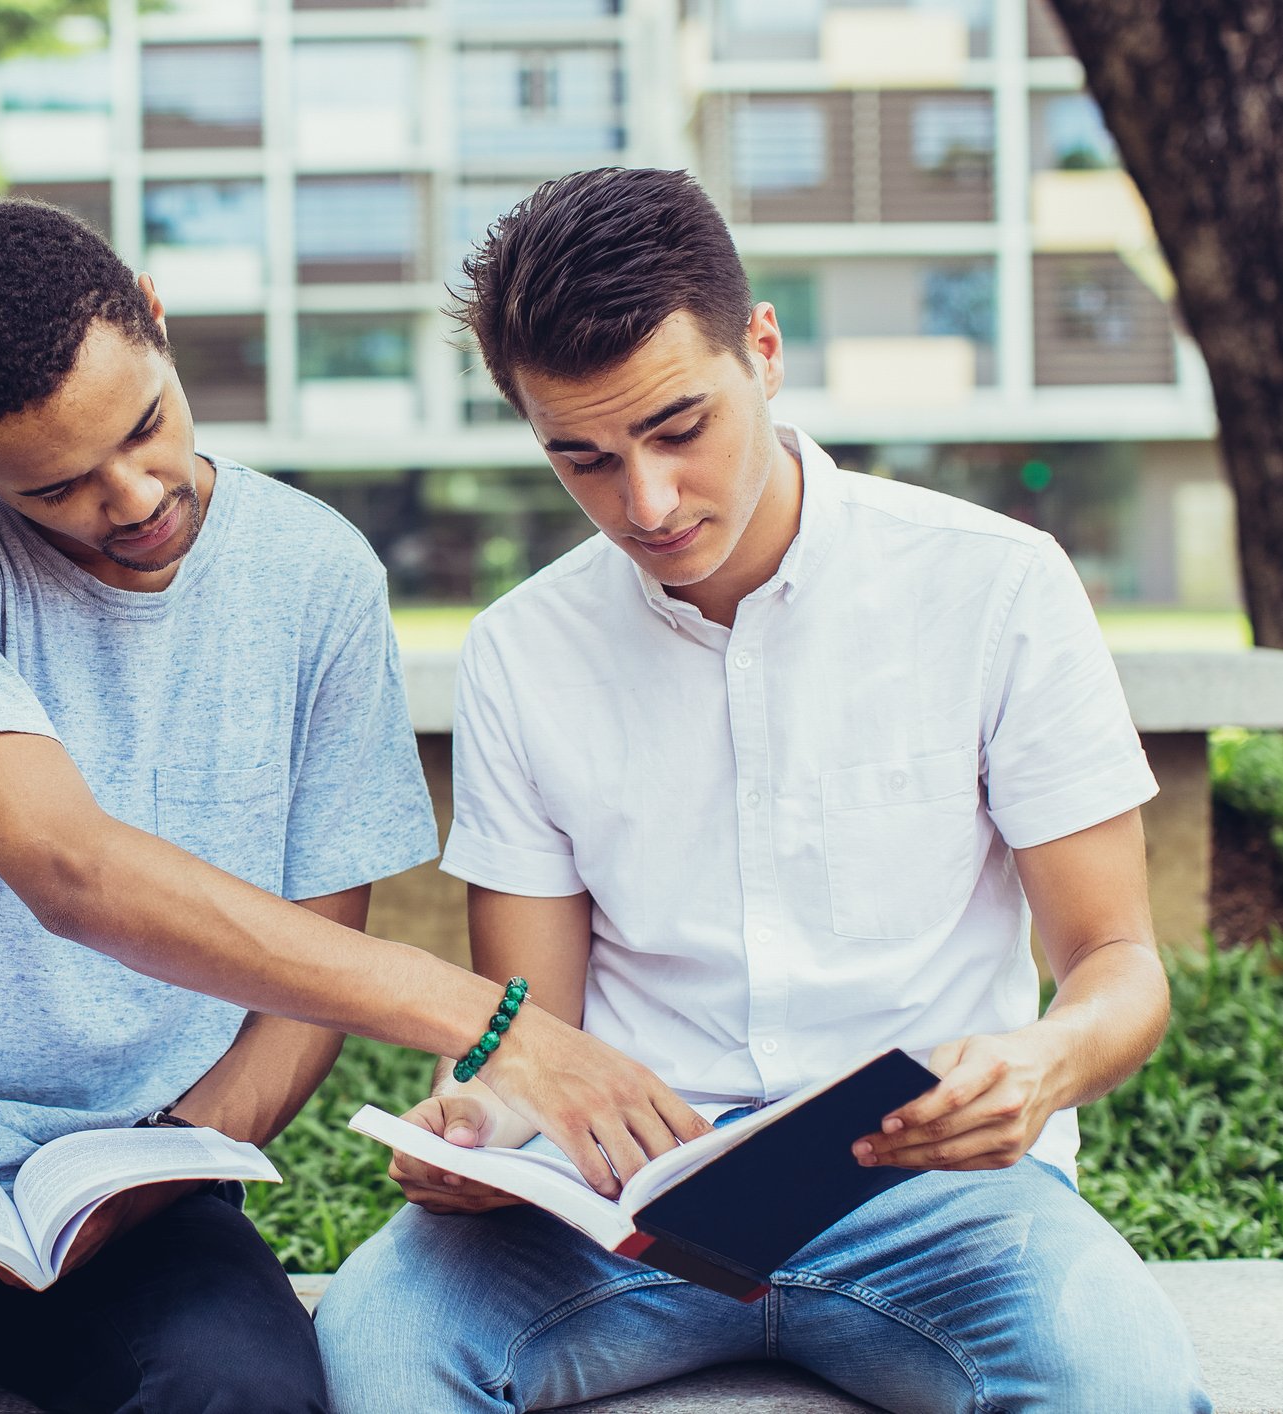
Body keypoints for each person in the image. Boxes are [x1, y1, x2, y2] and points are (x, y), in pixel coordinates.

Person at [0, 200, 677, 1414]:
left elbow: (310, 961)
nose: (132, 496)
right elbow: (67, 865)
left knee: (248, 1396)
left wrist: (166, 1161)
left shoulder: (318, 572)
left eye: (145, 427)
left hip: (131, 1163)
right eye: (60, 487)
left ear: (158, 320)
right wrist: (503, 1025)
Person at [314, 168, 1212, 1414]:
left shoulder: (996, 587)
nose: (648, 503)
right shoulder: (524, 649)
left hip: (938, 1203)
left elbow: (1120, 959)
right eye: (583, 458)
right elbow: (536, 1028)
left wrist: (1043, 1063)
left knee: (1121, 1385)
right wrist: (481, 1117)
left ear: (766, 348)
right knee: (376, 1344)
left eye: (680, 429)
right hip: (622, 1205)